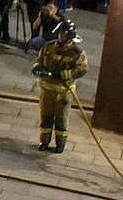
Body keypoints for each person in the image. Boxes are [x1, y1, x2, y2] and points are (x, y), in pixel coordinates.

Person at [32, 20, 88, 154]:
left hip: (63, 92)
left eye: (64, 34)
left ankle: (60, 144)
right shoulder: (48, 47)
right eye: (60, 34)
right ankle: (44, 141)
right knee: (46, 117)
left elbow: (81, 69)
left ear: (70, 36)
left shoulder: (76, 52)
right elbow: (38, 60)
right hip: (47, 90)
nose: (61, 37)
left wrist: (63, 74)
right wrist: (37, 69)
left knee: (61, 119)